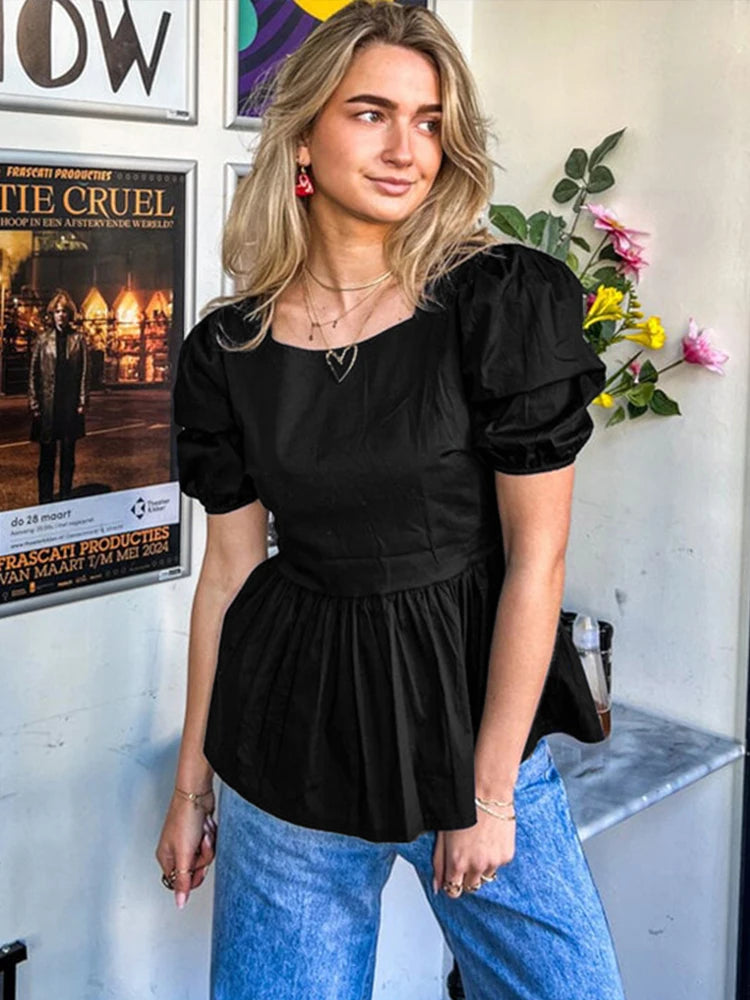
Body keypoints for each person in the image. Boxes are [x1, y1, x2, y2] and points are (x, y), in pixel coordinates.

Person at [156, 3, 626, 998]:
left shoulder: (498, 302)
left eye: (429, 121)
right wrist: (192, 783)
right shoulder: (229, 348)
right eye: (371, 113)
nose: (407, 149)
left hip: (468, 728)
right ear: (303, 134)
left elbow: (536, 560)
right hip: (286, 739)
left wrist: (488, 793)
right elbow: (230, 574)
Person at [28, 291, 88, 503]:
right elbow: (34, 373)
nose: (61, 315)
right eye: (57, 311)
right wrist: (34, 403)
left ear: (69, 314)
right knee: (46, 455)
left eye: (64, 311)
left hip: (69, 405)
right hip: (48, 405)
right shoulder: (43, 340)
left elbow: (84, 373)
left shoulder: (78, 339)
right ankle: (44, 499)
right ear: (52, 314)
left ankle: (65, 496)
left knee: (68, 455)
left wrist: (82, 401)